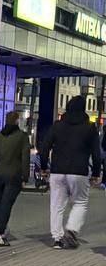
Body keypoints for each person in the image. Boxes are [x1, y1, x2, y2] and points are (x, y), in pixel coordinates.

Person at [38, 94, 102, 248]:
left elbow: (45, 147)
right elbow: (96, 153)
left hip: (57, 171)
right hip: (79, 172)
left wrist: (44, 167)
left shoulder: (57, 126)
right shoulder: (90, 128)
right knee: (80, 202)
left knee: (56, 205)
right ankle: (72, 230)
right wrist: (96, 173)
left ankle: (57, 239)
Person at [0, 110, 30, 246]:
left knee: (0, 203)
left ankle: (2, 230)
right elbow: (25, 158)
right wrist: (25, 177)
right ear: (17, 121)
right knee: (6, 204)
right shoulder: (22, 137)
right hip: (13, 175)